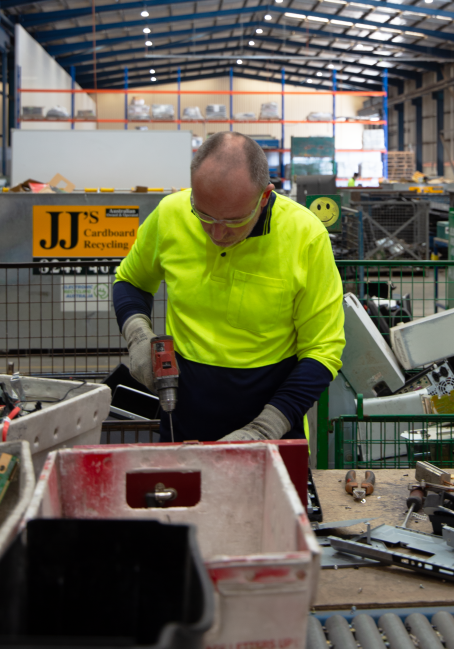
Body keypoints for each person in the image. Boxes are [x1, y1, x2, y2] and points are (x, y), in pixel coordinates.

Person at [113, 132, 345, 442]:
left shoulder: (305, 236)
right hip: (182, 419)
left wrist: (265, 429)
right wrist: (139, 336)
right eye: (204, 215)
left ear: (264, 197)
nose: (217, 233)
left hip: (272, 421)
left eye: (234, 220)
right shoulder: (170, 214)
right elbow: (130, 281)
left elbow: (323, 349)